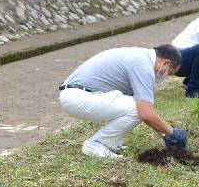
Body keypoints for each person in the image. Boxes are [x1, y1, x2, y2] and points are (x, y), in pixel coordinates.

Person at [58, 45, 187, 159]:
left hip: (78, 95)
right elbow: (145, 113)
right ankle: (96, 144)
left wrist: (165, 133)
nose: (165, 77)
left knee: (133, 104)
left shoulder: (140, 57)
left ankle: (110, 143)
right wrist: (172, 132)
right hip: (78, 97)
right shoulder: (143, 65)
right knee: (136, 108)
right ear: (165, 63)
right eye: (169, 73)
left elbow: (145, 111)